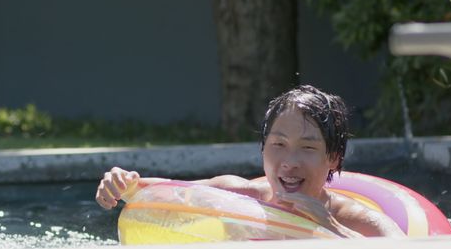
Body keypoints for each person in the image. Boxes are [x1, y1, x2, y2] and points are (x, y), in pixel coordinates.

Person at [95, 85, 404, 238]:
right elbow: (163, 192)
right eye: (278, 145)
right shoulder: (240, 196)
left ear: (333, 158)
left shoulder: (354, 219)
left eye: (307, 148)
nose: (289, 162)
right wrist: (123, 183)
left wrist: (331, 228)